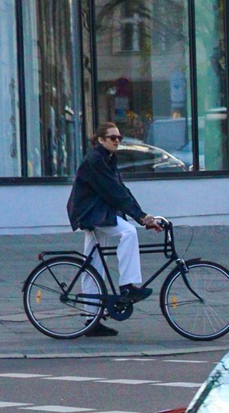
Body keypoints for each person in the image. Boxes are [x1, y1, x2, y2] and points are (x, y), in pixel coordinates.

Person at [67, 121, 167, 320]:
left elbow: (122, 190)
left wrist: (143, 216)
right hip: (92, 212)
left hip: (98, 211)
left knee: (93, 265)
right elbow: (114, 192)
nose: (117, 141)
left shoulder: (108, 158)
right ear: (101, 140)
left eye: (119, 138)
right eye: (113, 138)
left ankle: (91, 319)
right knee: (128, 233)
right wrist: (140, 217)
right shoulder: (96, 160)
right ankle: (127, 286)